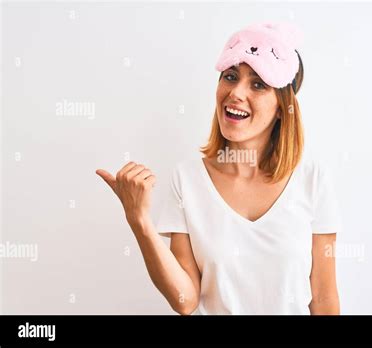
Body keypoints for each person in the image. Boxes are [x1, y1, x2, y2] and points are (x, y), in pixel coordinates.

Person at [96, 22, 343, 315]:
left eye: (258, 84)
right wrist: (140, 221)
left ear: (282, 108)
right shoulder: (187, 179)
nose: (235, 93)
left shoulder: (312, 179)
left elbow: (324, 299)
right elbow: (184, 299)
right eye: (230, 76)